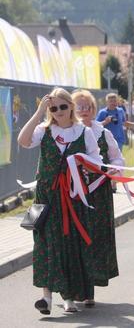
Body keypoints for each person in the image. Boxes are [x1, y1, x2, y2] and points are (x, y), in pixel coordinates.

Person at [17, 88, 103, 314]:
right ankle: (46, 297)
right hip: (46, 197)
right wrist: (38, 114)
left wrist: (81, 162)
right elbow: (23, 141)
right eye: (53, 108)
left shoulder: (83, 132)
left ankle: (69, 296)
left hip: (72, 196)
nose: (58, 112)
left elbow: (96, 161)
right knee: (45, 244)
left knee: (70, 244)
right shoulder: (43, 130)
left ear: (71, 106)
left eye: (63, 107)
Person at [71, 89, 123, 307]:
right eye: (79, 106)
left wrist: (114, 171)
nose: (84, 111)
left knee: (94, 239)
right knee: (75, 240)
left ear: (94, 110)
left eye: (88, 106)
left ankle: (89, 288)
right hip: (73, 193)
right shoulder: (69, 133)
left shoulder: (103, 133)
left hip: (98, 194)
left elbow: (117, 159)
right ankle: (74, 287)